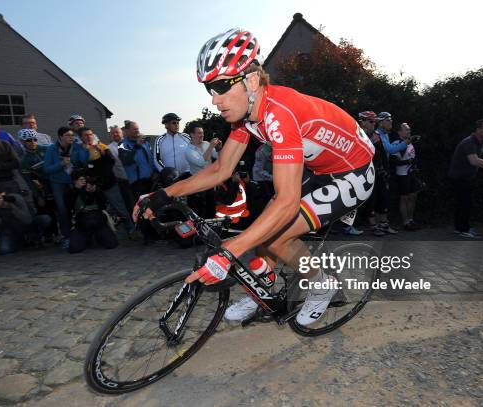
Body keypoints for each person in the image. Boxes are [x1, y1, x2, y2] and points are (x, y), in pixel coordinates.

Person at [134, 28, 375, 326]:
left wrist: (228, 253)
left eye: (221, 86)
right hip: (321, 169)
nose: (214, 100)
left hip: (353, 172)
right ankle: (266, 289)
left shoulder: (279, 113)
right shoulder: (247, 116)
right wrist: (163, 194)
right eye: (210, 89)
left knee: (276, 235)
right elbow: (220, 170)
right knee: (265, 227)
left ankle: (322, 283)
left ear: (251, 80)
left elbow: (286, 203)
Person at [71, 127, 134, 235]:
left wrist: (101, 151)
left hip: (109, 183)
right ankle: (102, 233)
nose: (89, 137)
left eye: (90, 134)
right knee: (98, 210)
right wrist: (87, 152)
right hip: (92, 186)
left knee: (120, 208)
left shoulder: (102, 146)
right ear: (81, 137)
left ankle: (132, 230)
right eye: (85, 135)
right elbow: (78, 166)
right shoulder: (78, 150)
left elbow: (111, 161)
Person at [0, 187, 51, 254]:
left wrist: (12, 208)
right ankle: (22, 241)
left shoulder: (15, 198)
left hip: (25, 225)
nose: (1, 199)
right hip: (9, 229)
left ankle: (35, 237)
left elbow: (28, 220)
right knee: (5, 250)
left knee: (45, 219)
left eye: (2, 196)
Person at [65, 169, 118, 253]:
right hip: (82, 224)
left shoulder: (92, 189)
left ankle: (96, 237)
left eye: (84, 179)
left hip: (98, 221)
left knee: (112, 244)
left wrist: (95, 192)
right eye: (81, 180)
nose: (84, 182)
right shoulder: (71, 192)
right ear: (75, 181)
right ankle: (88, 238)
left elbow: (102, 206)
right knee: (74, 249)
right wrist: (82, 191)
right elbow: (70, 208)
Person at [18, 129, 58, 240]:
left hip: (54, 182)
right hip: (41, 187)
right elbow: (29, 182)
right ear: (22, 142)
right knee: (46, 210)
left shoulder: (46, 149)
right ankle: (49, 235)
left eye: (35, 139)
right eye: (28, 140)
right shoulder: (24, 160)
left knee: (59, 209)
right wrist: (38, 196)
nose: (32, 142)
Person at [44, 127, 75, 248]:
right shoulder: (52, 149)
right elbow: (47, 169)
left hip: (73, 183)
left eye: (72, 135)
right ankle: (66, 236)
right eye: (68, 135)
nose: (71, 137)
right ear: (61, 136)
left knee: (76, 208)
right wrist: (61, 164)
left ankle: (80, 234)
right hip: (58, 184)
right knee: (62, 210)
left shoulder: (75, 147)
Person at [392, 123, 421, 230]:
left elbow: (413, 158)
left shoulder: (410, 143)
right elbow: (394, 162)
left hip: (412, 173)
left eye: (409, 130)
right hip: (402, 175)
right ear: (399, 132)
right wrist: (408, 161)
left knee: (413, 197)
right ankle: (405, 222)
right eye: (406, 130)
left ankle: (411, 220)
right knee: (404, 198)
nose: (409, 131)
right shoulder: (396, 143)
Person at [120, 121, 155, 197]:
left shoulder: (145, 142)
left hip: (151, 180)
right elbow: (126, 161)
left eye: (138, 129)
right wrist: (136, 146)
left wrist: (155, 172)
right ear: (127, 131)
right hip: (137, 184)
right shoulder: (123, 144)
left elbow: (151, 158)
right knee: (142, 207)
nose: (138, 131)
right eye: (134, 129)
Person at [106, 126, 134, 212]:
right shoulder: (108, 148)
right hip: (123, 181)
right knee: (130, 204)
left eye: (117, 132)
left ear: (122, 133)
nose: (115, 134)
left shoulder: (131, 144)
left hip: (136, 180)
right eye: (112, 133)